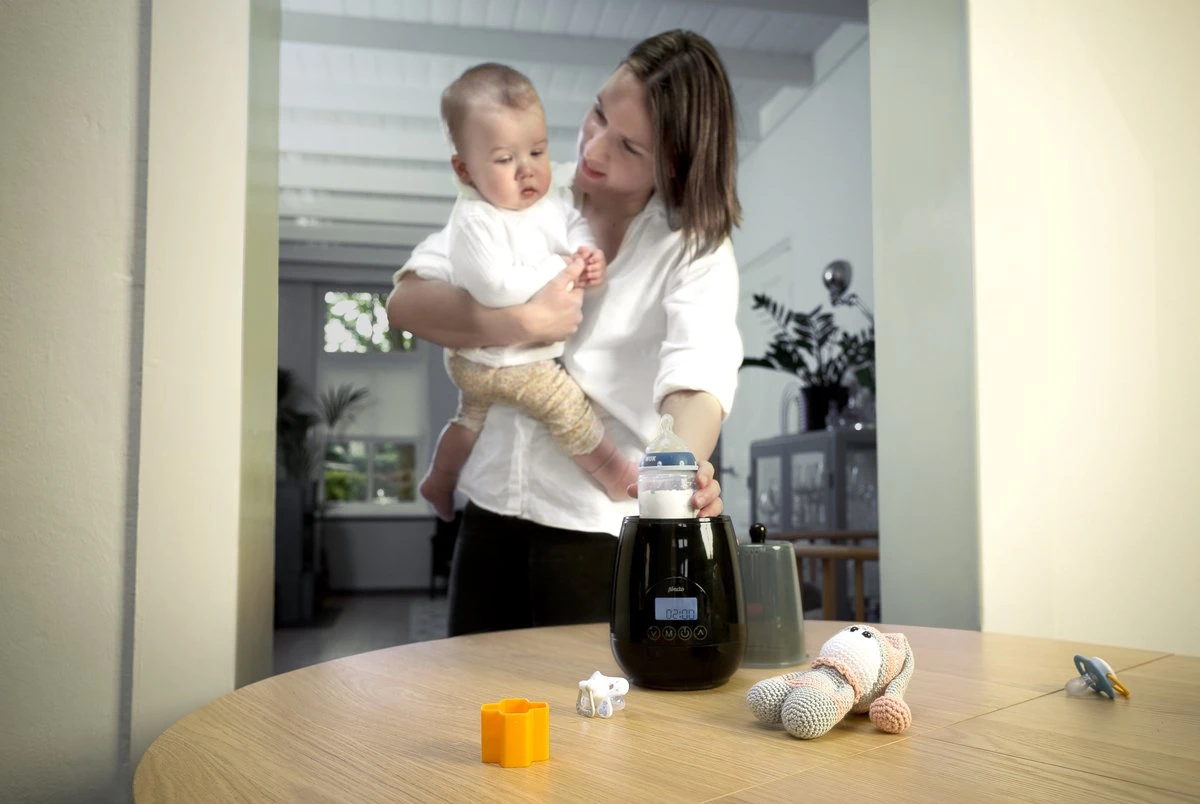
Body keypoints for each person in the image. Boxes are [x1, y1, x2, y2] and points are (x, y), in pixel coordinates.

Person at [388, 30, 743, 637]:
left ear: (674, 162)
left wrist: (678, 472)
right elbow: (407, 302)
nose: (594, 148)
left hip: (593, 525)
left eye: (628, 145)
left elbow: (696, 381)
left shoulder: (694, 247)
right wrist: (520, 322)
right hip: (491, 503)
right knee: (470, 689)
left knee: (584, 700)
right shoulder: (526, 185)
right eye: (598, 113)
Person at [417, 63, 639, 522]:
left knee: (470, 419)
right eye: (504, 160)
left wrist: (586, 250)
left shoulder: (545, 202)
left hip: (494, 358)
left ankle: (439, 478)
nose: (528, 171)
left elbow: (572, 224)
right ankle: (616, 475)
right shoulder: (475, 221)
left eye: (537, 151)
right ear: (464, 170)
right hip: (497, 358)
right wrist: (559, 268)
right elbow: (494, 288)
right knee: (563, 403)